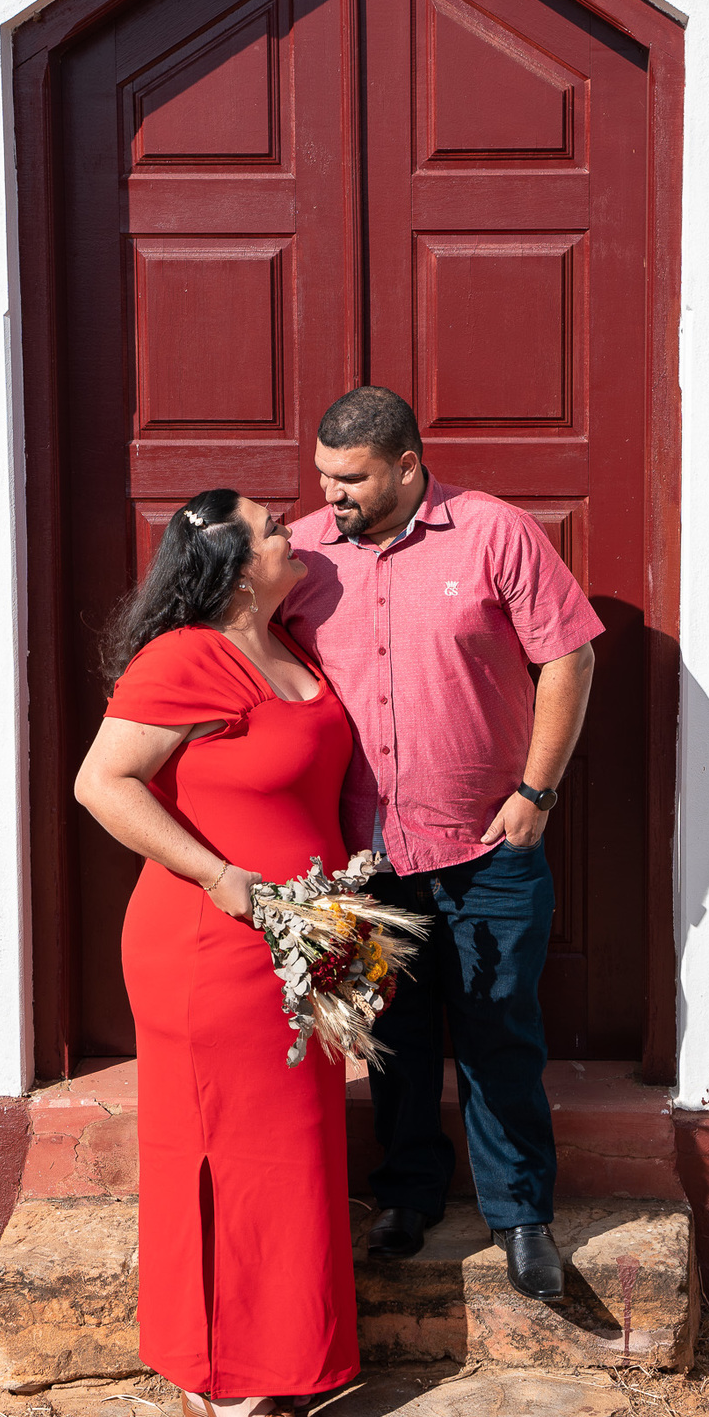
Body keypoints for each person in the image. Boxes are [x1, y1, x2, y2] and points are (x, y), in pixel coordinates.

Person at [280, 387, 604, 1303]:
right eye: (324, 478)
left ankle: (521, 1217)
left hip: (488, 842)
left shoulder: (495, 532)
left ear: (410, 466)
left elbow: (570, 655)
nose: (331, 496)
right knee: (395, 1036)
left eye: (351, 479)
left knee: (500, 1031)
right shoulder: (300, 554)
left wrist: (536, 792)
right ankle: (409, 1198)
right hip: (364, 854)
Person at [74, 491, 360, 1417]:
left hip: (293, 948)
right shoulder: (186, 657)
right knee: (220, 1157)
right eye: (275, 524)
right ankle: (216, 1379)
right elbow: (99, 782)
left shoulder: (288, 648)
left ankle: (278, 1354)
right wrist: (218, 873)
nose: (296, 529)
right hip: (207, 945)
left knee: (289, 1159)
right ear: (238, 564)